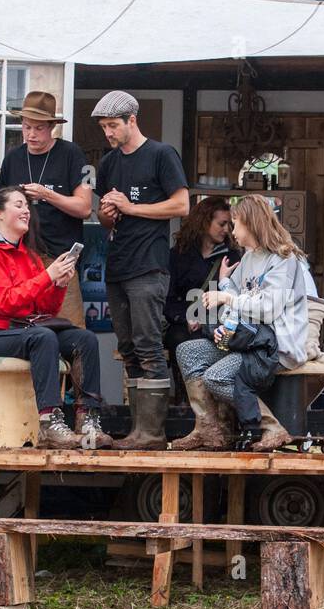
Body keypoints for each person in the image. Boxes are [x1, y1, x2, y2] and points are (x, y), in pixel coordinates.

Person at [0, 186, 111, 449]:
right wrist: (47, 276)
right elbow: (6, 302)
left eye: (27, 206)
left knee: (84, 339)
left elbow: (46, 310)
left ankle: (88, 420)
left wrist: (59, 284)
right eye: (18, 205)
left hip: (22, 330)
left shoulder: (28, 255)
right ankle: (49, 422)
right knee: (43, 337)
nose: (26, 211)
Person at [92, 91, 190, 450]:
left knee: (149, 346)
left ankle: (152, 433)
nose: (108, 133)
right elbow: (104, 219)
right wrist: (109, 212)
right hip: (118, 261)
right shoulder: (108, 163)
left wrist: (131, 208)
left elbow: (182, 205)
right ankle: (137, 430)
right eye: (104, 127)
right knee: (128, 347)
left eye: (113, 126)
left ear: (132, 120)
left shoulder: (161, 155)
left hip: (149, 263)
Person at [174, 195, 311, 452]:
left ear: (250, 223)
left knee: (216, 376)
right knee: (188, 351)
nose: (231, 232)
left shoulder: (283, 259)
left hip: (272, 346)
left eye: (235, 224)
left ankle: (272, 427)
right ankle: (210, 430)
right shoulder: (249, 258)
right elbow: (231, 302)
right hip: (245, 339)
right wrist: (223, 324)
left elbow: (268, 309)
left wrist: (226, 297)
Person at [0, 91, 91, 328]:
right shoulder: (12, 159)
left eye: (39, 128)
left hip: (60, 258)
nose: (31, 134)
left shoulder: (73, 155)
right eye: (27, 127)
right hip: (20, 259)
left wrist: (47, 194)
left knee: (71, 329)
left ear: (52, 128)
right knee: (21, 328)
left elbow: (85, 208)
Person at [165, 197, 243, 383]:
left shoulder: (231, 256)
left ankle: (214, 390)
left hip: (219, 322)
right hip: (183, 323)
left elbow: (236, 296)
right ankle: (187, 396)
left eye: (229, 225)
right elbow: (167, 298)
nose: (226, 230)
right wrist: (186, 318)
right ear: (204, 222)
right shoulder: (179, 254)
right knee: (179, 339)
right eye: (222, 224)